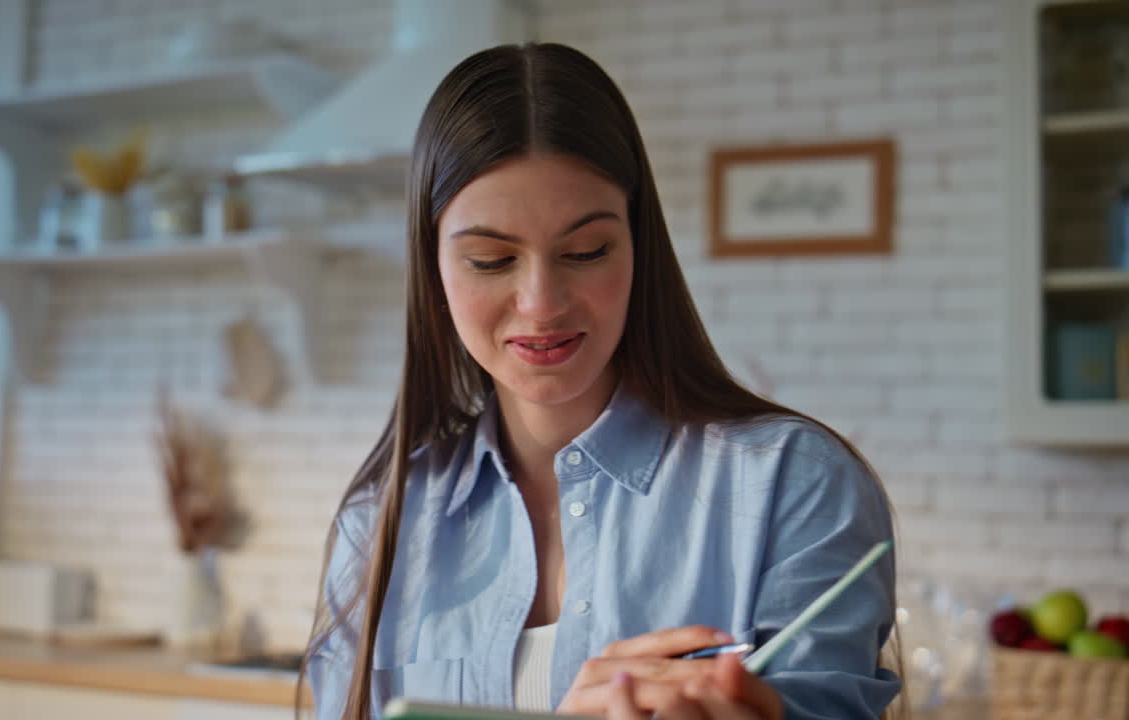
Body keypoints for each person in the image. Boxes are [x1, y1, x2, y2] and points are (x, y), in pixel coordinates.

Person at [300, 42, 901, 720]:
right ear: (434, 270)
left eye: (586, 251)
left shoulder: (794, 485)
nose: (541, 303)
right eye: (491, 260)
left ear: (639, 247)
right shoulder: (381, 524)